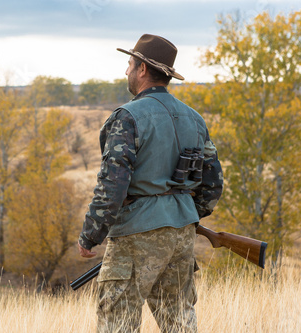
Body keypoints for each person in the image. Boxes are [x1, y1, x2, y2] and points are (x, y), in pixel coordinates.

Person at [78, 34, 223, 333]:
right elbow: (212, 185)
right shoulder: (194, 118)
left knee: (117, 322)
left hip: (135, 233)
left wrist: (90, 235)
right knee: (180, 322)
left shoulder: (127, 117)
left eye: (129, 64)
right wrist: (182, 211)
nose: (126, 71)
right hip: (182, 234)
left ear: (143, 69)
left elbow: (112, 185)